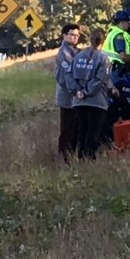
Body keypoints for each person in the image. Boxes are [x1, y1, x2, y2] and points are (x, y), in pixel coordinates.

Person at [66, 28, 111, 160]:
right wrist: (86, 92)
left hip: (78, 102)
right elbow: (99, 79)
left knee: (82, 130)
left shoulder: (78, 56)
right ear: (103, 41)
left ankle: (80, 157)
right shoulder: (103, 59)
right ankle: (89, 158)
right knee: (93, 131)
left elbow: (69, 75)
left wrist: (77, 91)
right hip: (96, 102)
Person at [55, 23, 81, 161]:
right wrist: (75, 91)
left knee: (77, 128)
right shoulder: (63, 53)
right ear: (64, 35)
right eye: (72, 35)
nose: (75, 37)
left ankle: (73, 155)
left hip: (78, 97)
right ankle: (64, 157)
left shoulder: (78, 51)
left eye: (77, 35)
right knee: (67, 129)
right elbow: (65, 77)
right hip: (67, 97)